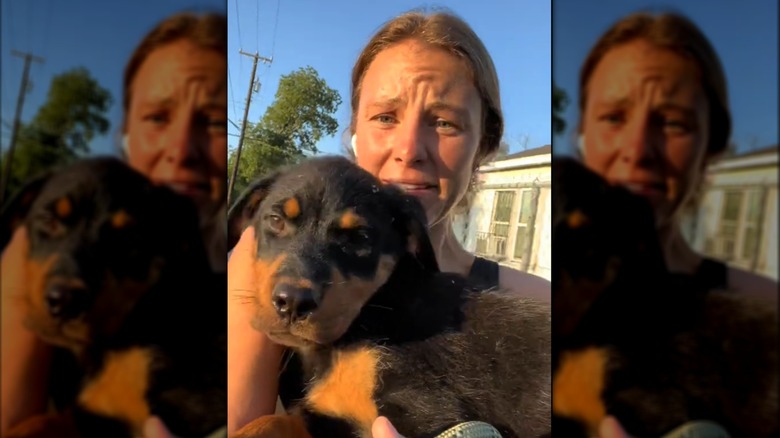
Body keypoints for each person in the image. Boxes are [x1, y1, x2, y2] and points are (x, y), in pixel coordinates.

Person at [227, 9, 552, 437]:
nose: (409, 148)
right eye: (385, 116)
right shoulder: (267, 260)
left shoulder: (537, 302)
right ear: (355, 128)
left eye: (444, 122)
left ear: (485, 143)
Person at [0, 11, 228, 438]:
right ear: (125, 131)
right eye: (157, 117)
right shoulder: (30, 256)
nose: (181, 150)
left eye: (215, 122)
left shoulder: (251, 256)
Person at [571, 10, 778, 438]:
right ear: (582, 134)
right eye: (613, 117)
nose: (638, 149)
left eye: (673, 123)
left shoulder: (767, 318)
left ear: (712, 146)